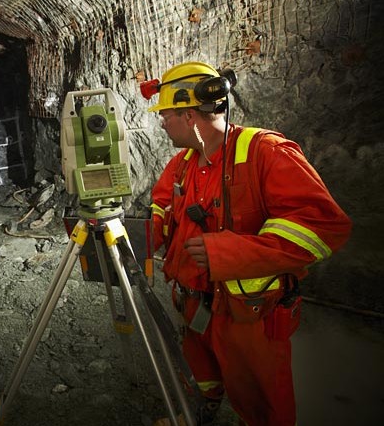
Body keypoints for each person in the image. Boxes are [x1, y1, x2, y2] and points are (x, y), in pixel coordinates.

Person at [143, 61, 351, 426]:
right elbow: (161, 210)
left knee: (261, 406)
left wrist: (229, 252)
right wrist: (132, 235)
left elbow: (323, 226)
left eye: (166, 114)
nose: (162, 122)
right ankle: (200, 410)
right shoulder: (182, 164)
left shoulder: (265, 152)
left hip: (249, 317)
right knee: (199, 375)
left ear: (191, 115)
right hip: (195, 307)